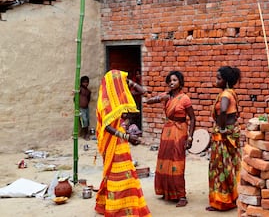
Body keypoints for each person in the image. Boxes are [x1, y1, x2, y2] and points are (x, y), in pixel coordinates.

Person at [95, 70, 151, 217]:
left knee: (126, 173)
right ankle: (116, 208)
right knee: (115, 175)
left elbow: (143, 92)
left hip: (121, 141)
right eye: (121, 81)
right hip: (112, 140)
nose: (123, 84)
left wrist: (130, 81)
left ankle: (127, 206)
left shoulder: (116, 96)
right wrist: (126, 136)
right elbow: (106, 126)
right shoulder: (105, 100)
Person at [145, 70, 195, 207]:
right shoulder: (166, 97)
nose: (172, 83)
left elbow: (193, 118)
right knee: (164, 161)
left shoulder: (185, 98)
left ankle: (181, 195)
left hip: (180, 131)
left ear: (180, 83)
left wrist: (190, 137)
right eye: (170, 81)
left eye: (175, 80)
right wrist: (158, 98)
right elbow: (148, 101)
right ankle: (167, 191)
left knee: (177, 162)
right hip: (167, 131)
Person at [206, 66, 241, 212]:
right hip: (231, 132)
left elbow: (224, 110)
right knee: (232, 165)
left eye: (218, 78)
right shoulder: (232, 92)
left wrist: (220, 128)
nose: (216, 81)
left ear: (226, 81)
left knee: (220, 167)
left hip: (224, 135)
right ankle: (234, 196)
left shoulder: (226, 95)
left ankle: (222, 201)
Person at [79, 76, 91, 140]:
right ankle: (85, 134)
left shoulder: (88, 91)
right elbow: (75, 98)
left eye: (87, 82)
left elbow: (88, 99)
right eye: (84, 82)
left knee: (87, 121)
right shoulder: (80, 89)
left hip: (86, 108)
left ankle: (86, 134)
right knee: (84, 121)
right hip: (81, 108)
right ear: (81, 82)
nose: (86, 83)